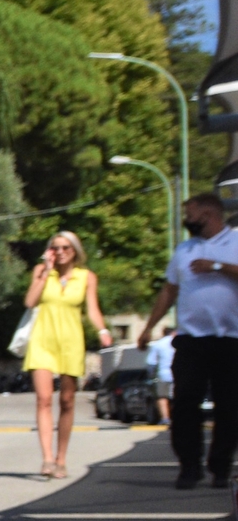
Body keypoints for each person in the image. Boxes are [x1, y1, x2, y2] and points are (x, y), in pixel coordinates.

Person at [135, 191, 238, 488]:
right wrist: (148, 327)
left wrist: (216, 266)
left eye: (190, 213)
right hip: (192, 339)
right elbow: (169, 291)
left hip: (230, 339)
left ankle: (220, 467)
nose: (187, 219)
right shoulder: (184, 250)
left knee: (229, 406)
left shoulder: (234, 243)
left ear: (208, 214)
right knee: (184, 404)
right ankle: (189, 466)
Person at [21, 229, 111, 478]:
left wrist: (102, 330)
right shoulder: (41, 272)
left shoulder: (86, 277)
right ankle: (47, 459)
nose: (60, 252)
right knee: (44, 398)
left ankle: (61, 458)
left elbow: (92, 308)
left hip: (71, 341)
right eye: (55, 248)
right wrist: (46, 272)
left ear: (74, 252)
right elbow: (30, 302)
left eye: (65, 248)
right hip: (43, 340)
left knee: (67, 401)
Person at [146, 328, 175, 427]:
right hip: (178, 374)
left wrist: (151, 375)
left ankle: (165, 418)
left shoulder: (159, 344)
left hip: (163, 374)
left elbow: (151, 362)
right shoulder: (179, 343)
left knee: (162, 397)